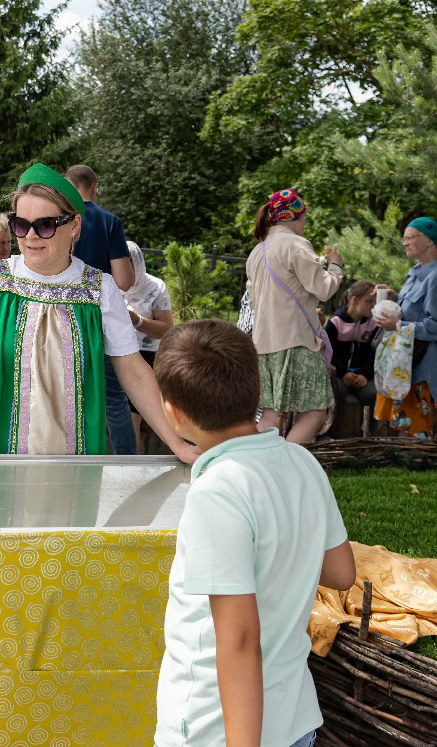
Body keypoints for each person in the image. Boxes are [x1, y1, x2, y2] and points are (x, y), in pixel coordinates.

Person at [0, 163, 196, 464]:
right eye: (20, 225)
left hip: (72, 456)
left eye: (45, 225)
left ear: (74, 225)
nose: (31, 236)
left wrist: (178, 444)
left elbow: (134, 371)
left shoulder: (101, 289)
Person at [152, 319, 354, 747]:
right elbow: (341, 573)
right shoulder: (303, 462)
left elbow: (240, 640)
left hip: (215, 729)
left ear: (173, 412)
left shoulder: (217, 491)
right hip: (294, 717)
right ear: (259, 391)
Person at [245, 189, 343, 444]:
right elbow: (324, 288)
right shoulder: (296, 245)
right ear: (295, 216)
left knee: (270, 414)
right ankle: (287, 461)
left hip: (264, 346)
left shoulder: (257, 252)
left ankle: (257, 460)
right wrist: (335, 265)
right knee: (315, 412)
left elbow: (255, 301)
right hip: (297, 343)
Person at [65, 164, 138, 455]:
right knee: (114, 399)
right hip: (100, 317)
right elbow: (124, 280)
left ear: (68, 186)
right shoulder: (110, 221)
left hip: (62, 316)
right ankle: (127, 464)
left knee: (68, 395)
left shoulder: (58, 220)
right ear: (94, 187)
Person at [373, 217, 437, 439]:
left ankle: (412, 457)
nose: (404, 242)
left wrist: (397, 325)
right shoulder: (417, 271)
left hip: (421, 368)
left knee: (413, 433)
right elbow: (416, 310)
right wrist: (394, 297)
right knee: (399, 427)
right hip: (403, 365)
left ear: (429, 240)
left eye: (410, 237)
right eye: (404, 238)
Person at [122, 241, 174, 453]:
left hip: (145, 356)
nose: (121, 272)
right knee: (121, 415)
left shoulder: (155, 287)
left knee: (132, 417)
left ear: (136, 263)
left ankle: (132, 462)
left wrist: (138, 320)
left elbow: (167, 329)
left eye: (126, 266)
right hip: (114, 355)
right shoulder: (107, 284)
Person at [325, 280, 380, 420]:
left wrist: (365, 375)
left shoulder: (373, 324)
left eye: (375, 302)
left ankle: (368, 431)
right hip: (339, 374)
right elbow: (329, 353)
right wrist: (343, 373)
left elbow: (375, 354)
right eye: (369, 301)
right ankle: (333, 429)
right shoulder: (335, 323)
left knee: (371, 394)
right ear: (355, 300)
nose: (374, 306)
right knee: (338, 391)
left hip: (362, 374)